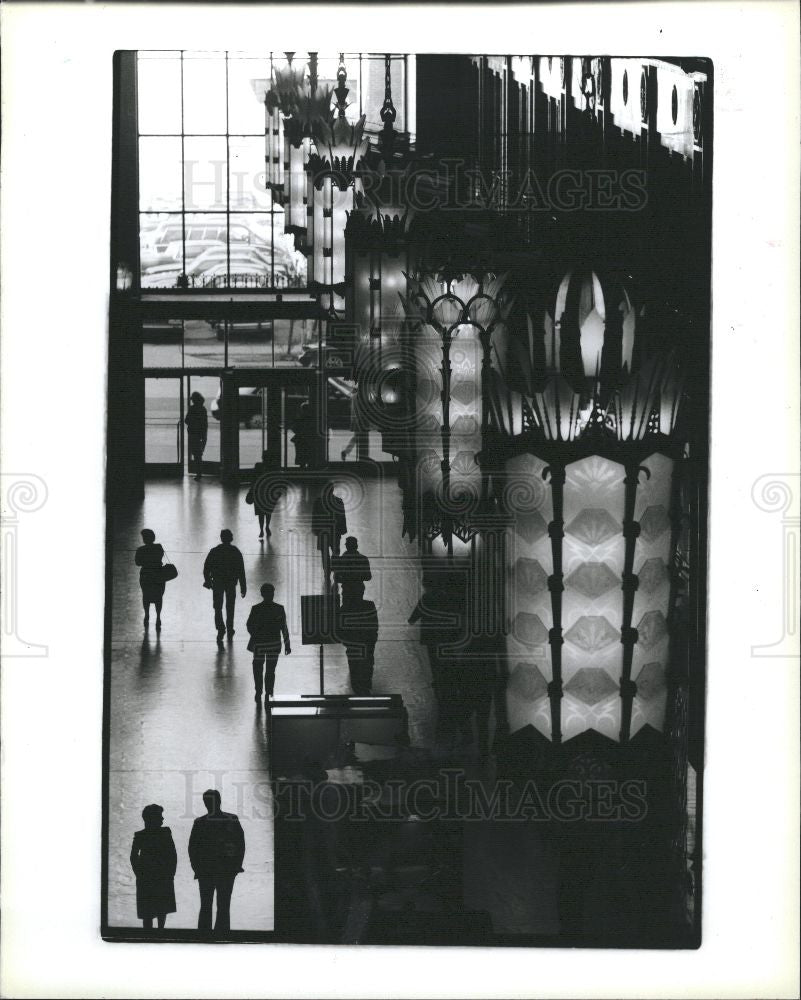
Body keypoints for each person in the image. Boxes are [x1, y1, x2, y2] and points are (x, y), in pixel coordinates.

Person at [188, 790, 245, 934]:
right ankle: (222, 935)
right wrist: (236, 866)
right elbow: (240, 845)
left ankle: (204, 936)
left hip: (206, 871)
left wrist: (197, 869)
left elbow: (192, 848)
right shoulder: (232, 819)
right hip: (226, 870)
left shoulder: (199, 823)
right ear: (219, 801)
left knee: (206, 905)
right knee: (224, 906)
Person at [130, 804, 177, 930]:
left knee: (151, 910)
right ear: (152, 818)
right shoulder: (164, 833)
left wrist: (139, 873)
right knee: (159, 909)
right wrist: (170, 873)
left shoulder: (141, 835)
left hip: (152, 877)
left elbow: (133, 856)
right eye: (160, 816)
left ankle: (152, 933)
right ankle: (158, 932)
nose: (162, 819)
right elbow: (172, 855)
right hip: (159, 876)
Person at [246, 583, 291, 704]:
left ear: (262, 594)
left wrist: (255, 635)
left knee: (257, 668)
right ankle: (269, 692)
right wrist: (287, 644)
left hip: (259, 644)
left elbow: (249, 625)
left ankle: (258, 691)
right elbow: (284, 628)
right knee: (271, 670)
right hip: (274, 644)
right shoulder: (279, 609)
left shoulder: (256, 609)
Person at [335, 582, 379, 696]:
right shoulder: (369, 605)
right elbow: (374, 625)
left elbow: (338, 630)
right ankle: (366, 688)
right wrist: (372, 639)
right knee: (367, 665)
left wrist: (346, 641)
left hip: (353, 645)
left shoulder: (344, 608)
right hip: (367, 643)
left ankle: (358, 689)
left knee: (354, 666)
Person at [203, 529, 247, 641]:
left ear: (221, 538)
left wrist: (208, 580)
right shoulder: (235, 551)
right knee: (230, 606)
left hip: (217, 582)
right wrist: (243, 587)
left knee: (217, 607)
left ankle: (220, 628)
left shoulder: (215, 551)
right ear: (231, 538)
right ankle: (230, 627)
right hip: (231, 582)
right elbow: (241, 571)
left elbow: (206, 568)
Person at [245, 451, 282, 540]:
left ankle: (261, 529)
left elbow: (253, 479)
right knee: (268, 512)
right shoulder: (273, 468)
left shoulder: (258, 466)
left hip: (259, 492)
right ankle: (266, 527)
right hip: (269, 493)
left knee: (261, 513)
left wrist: (251, 490)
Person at [312, 484, 347, 576]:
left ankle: (326, 571)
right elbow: (342, 517)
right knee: (336, 551)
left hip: (322, 532)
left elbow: (315, 518)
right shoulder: (338, 501)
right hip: (335, 531)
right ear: (332, 490)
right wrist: (343, 529)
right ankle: (335, 569)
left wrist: (315, 530)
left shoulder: (318, 502)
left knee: (324, 553)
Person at [135, 528, 165, 631]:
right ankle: (158, 617)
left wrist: (145, 561)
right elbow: (160, 557)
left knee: (146, 595)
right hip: (158, 574)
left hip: (146, 575)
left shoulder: (140, 550)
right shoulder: (159, 547)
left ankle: (147, 614)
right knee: (159, 596)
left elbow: (137, 562)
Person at [332, 536, 372, 601]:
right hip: (358, 589)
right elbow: (368, 577)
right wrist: (357, 577)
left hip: (347, 589)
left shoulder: (342, 560)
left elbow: (336, 577)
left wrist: (347, 579)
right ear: (356, 546)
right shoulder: (363, 558)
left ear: (347, 546)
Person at [185, 391, 208, 481]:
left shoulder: (192, 408)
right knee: (199, 454)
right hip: (201, 434)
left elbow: (186, 420)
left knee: (196, 454)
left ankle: (198, 473)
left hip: (193, 434)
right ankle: (199, 473)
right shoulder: (203, 409)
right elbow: (205, 424)